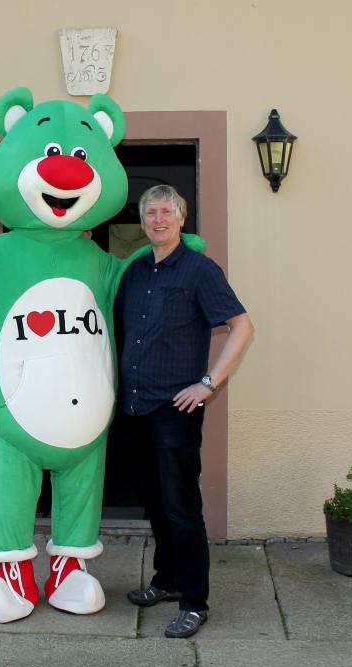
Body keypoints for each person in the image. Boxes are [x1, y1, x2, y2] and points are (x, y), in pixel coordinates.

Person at [114, 184, 254, 638]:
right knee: (154, 503)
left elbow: (242, 326)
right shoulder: (135, 272)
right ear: (143, 221)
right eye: (150, 212)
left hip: (175, 409)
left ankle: (195, 601)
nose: (158, 219)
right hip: (135, 407)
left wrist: (208, 384)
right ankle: (167, 580)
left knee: (181, 507)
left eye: (166, 213)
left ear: (181, 219)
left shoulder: (199, 270)